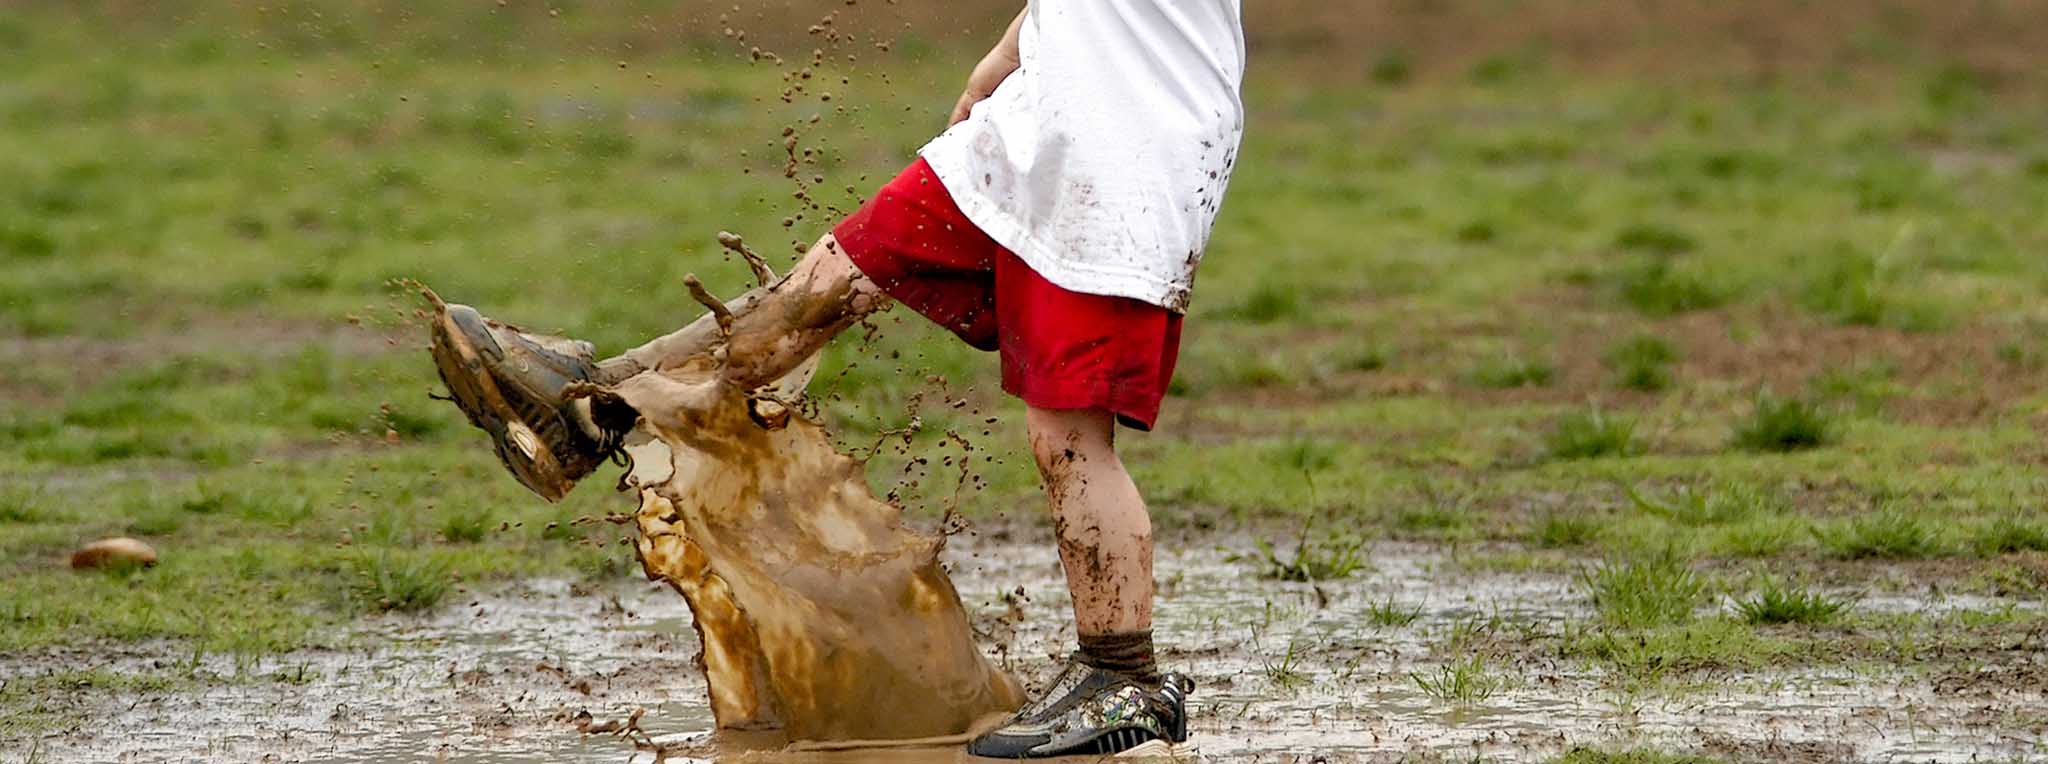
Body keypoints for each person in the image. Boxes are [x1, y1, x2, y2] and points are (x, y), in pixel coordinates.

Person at [427, 1, 1243, 757]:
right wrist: (1008, 52)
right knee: (821, 288)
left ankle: (1123, 673)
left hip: (1122, 148)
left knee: (1067, 432)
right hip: (1037, 121)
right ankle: (592, 409)